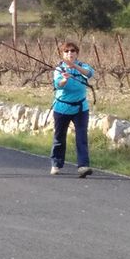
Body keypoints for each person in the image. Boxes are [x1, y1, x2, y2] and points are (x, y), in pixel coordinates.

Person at [50, 41, 95, 178]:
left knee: (81, 137)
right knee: (59, 137)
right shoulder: (59, 69)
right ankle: (56, 164)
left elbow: (89, 74)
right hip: (62, 108)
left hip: (81, 108)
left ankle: (83, 166)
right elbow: (59, 84)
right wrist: (64, 79)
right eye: (67, 51)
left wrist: (73, 66)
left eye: (72, 51)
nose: (70, 53)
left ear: (77, 53)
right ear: (63, 54)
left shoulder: (82, 66)